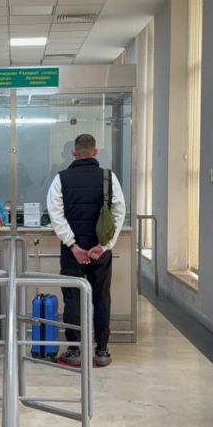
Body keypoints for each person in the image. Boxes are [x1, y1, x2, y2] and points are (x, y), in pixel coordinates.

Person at [46, 134, 126, 367]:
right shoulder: (108, 177)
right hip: (100, 249)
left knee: (73, 298)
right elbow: (119, 213)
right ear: (95, 152)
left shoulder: (61, 178)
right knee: (101, 297)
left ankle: (75, 350)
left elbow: (56, 215)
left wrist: (73, 245)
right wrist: (104, 246)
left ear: (73, 152)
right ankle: (102, 350)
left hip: (73, 252)